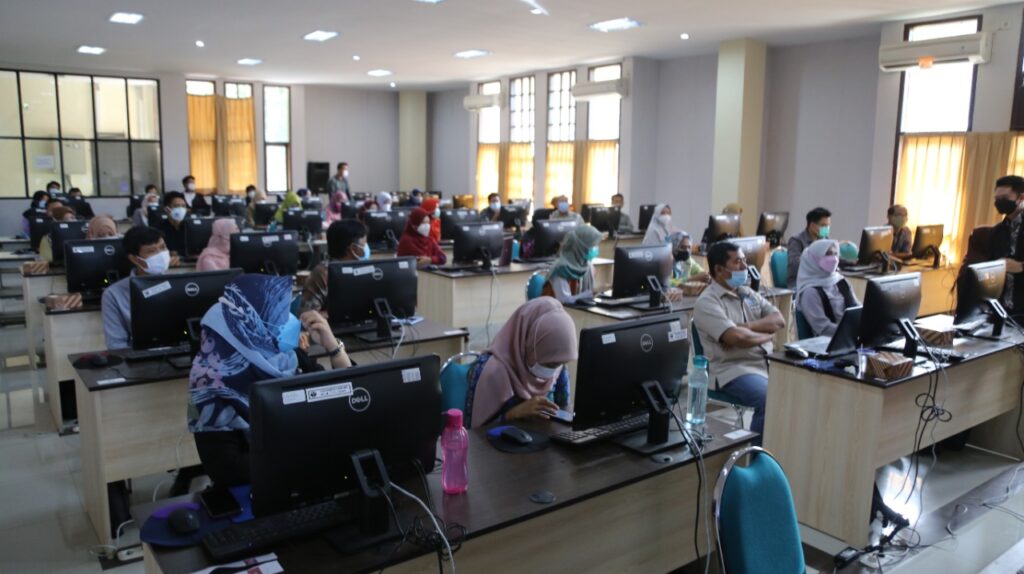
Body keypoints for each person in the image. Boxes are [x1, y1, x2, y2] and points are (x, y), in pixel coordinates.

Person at [187, 275, 352, 487]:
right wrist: (306, 453)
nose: (291, 320)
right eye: (279, 315)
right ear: (250, 326)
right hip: (262, 487)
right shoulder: (207, 385)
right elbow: (226, 470)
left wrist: (333, 347)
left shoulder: (286, 357)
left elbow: (345, 396)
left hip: (311, 472)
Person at [693, 241, 786, 440]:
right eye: (738, 262)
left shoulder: (747, 293)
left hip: (764, 363)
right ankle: (757, 454)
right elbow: (737, 338)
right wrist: (767, 335)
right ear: (719, 269)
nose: (745, 266)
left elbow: (779, 320)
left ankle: (779, 446)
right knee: (768, 398)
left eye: (744, 260)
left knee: (799, 389)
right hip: (733, 370)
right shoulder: (707, 302)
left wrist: (747, 327)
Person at [465, 297, 578, 428]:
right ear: (528, 344)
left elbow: (564, 413)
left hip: (544, 438)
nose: (552, 371)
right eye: (549, 364)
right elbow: (473, 432)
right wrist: (514, 414)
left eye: (559, 363)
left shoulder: (559, 367)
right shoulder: (488, 370)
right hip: (499, 440)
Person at [101, 226, 175, 350]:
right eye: (151, 251)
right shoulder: (114, 294)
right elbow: (116, 344)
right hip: (141, 357)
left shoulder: (178, 283)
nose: (161, 255)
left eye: (163, 248)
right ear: (134, 259)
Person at [795, 239, 860, 337]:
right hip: (829, 341)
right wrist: (852, 331)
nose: (833, 258)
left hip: (850, 335)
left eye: (835, 254)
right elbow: (823, 328)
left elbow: (856, 308)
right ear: (814, 259)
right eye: (828, 254)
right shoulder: (809, 292)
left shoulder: (841, 281)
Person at [301, 220, 369, 313]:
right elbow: (307, 315)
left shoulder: (363, 270)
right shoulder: (323, 273)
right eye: (364, 245)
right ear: (353, 249)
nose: (367, 249)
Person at [990, 175, 1024, 318]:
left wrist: (1021, 267)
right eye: (997, 199)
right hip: (1002, 308)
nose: (1000, 202)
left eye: (1005, 198)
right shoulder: (998, 231)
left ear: (1021, 198)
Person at [542, 224, 603, 304]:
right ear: (581, 247)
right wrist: (591, 293)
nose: (596, 248)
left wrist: (596, 292)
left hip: (576, 309)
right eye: (593, 246)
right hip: (553, 309)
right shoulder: (561, 269)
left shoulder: (588, 267)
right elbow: (564, 301)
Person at [787, 207, 832, 287]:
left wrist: (849, 261)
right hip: (799, 282)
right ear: (812, 225)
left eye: (828, 225)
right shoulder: (797, 240)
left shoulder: (825, 239)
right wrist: (819, 263)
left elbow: (833, 257)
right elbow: (795, 265)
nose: (826, 229)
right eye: (824, 225)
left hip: (819, 280)